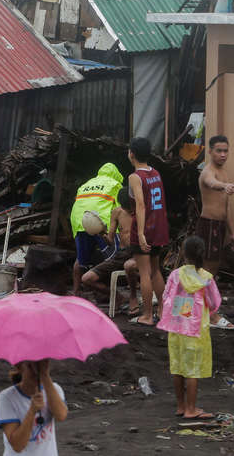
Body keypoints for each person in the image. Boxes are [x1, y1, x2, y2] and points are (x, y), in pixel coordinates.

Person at [157, 236, 221, 420]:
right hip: (195, 328)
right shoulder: (206, 277)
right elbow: (214, 303)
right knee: (192, 370)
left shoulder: (175, 275)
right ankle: (191, 409)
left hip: (176, 326)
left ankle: (181, 406)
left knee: (178, 367)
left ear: (184, 253)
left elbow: (165, 296)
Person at [197, 135, 234, 330]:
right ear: (210, 151)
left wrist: (233, 233)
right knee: (207, 272)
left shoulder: (224, 172)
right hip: (209, 225)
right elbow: (211, 183)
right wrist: (224, 186)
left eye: (225, 151)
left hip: (220, 226)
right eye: (219, 151)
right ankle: (210, 315)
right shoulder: (208, 172)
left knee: (209, 272)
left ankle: (202, 311)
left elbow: (226, 206)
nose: (223, 154)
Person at [127, 138, 169, 326]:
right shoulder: (156, 173)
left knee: (144, 272)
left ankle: (147, 315)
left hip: (145, 226)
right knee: (156, 270)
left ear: (132, 154)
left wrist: (141, 233)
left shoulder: (135, 177)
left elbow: (141, 205)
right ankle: (162, 309)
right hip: (159, 226)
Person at [70, 163, 124, 295]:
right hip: (101, 222)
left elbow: (77, 206)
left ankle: (76, 293)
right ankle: (111, 295)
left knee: (80, 259)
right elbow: (120, 211)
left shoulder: (86, 184)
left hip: (80, 221)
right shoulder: (115, 184)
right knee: (113, 259)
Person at [82, 189, 139, 310]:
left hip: (138, 254)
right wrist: (101, 233)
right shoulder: (116, 212)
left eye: (130, 206)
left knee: (129, 266)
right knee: (87, 278)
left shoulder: (142, 211)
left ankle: (133, 297)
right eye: (125, 207)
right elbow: (110, 241)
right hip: (121, 255)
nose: (129, 210)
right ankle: (118, 297)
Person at [0, 360, 68, 455]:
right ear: (19, 367)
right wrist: (32, 411)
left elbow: (61, 416)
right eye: (30, 366)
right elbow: (17, 445)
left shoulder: (54, 389)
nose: (36, 371)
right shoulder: (6, 397)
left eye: (41, 366)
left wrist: (45, 376)